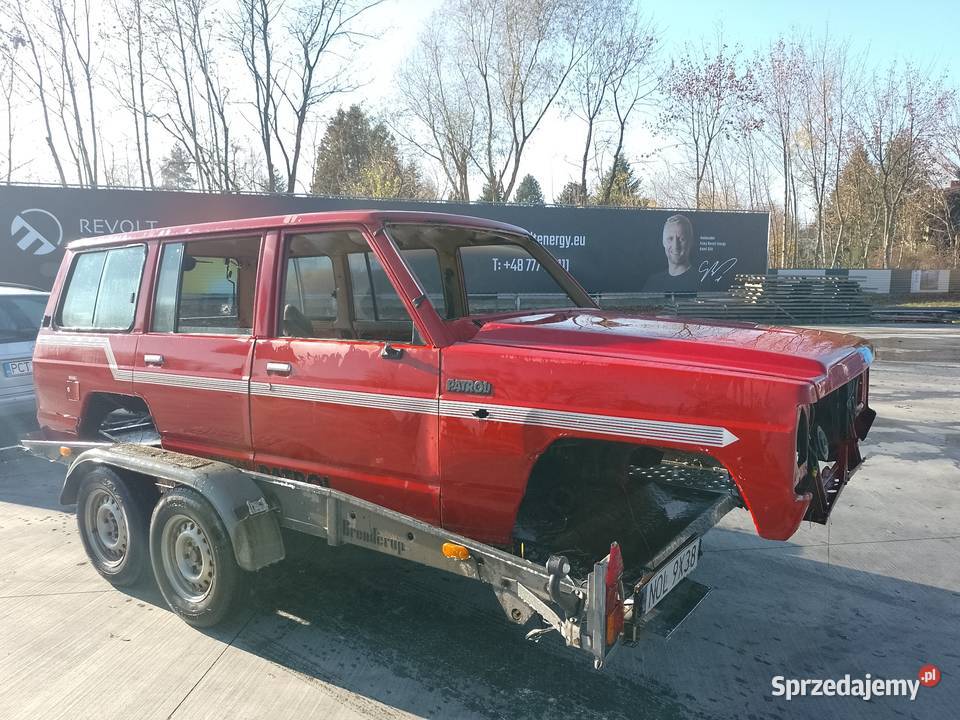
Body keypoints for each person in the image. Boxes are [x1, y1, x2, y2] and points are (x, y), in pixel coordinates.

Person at [643, 214, 699, 294]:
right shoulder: (653, 282)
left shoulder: (701, 281)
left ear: (691, 242)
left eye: (682, 239)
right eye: (670, 239)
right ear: (663, 242)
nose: (675, 246)